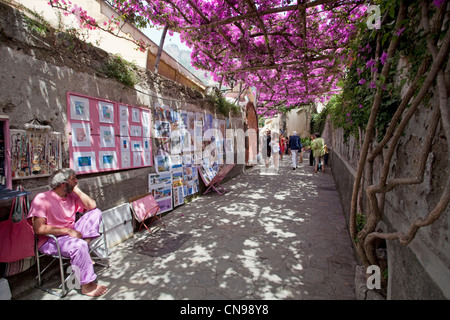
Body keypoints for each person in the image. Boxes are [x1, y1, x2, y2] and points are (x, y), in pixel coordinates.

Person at [28, 168, 108, 297]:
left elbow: (92, 205)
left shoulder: (71, 196)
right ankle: (86, 286)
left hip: (72, 234)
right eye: (74, 179)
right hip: (51, 240)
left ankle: (84, 250)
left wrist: (77, 190)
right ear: (63, 183)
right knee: (79, 245)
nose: (77, 181)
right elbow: (39, 229)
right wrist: (66, 230)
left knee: (96, 212)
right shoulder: (42, 198)